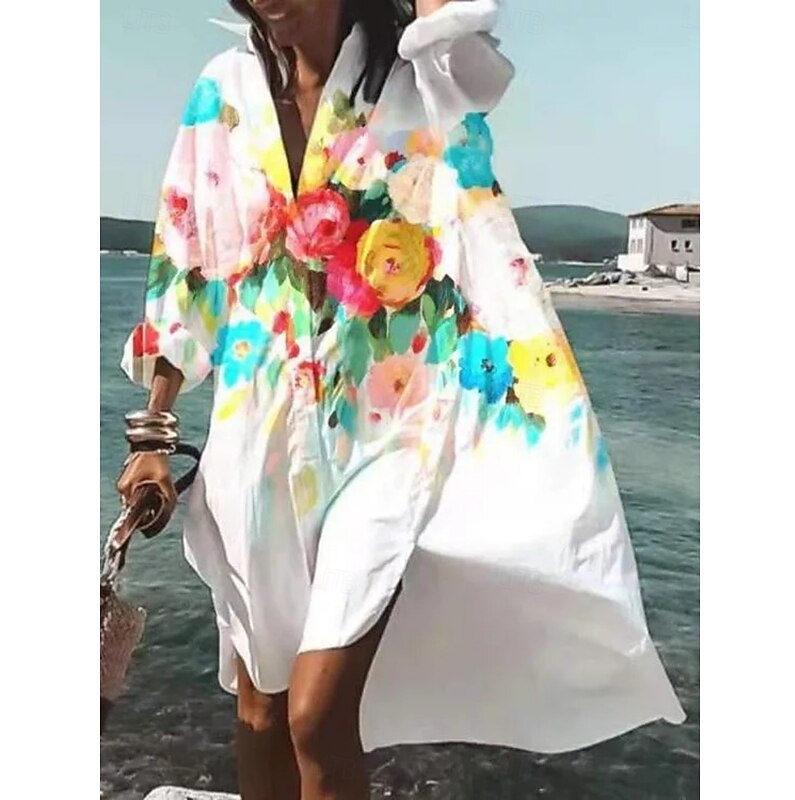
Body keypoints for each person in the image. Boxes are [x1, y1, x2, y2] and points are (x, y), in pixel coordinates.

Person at [116, 1, 686, 798]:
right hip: (256, 440)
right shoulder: (225, 91)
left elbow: (478, 73)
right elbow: (186, 265)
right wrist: (153, 434)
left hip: (389, 438)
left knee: (316, 715)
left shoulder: (422, 80)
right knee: (260, 709)